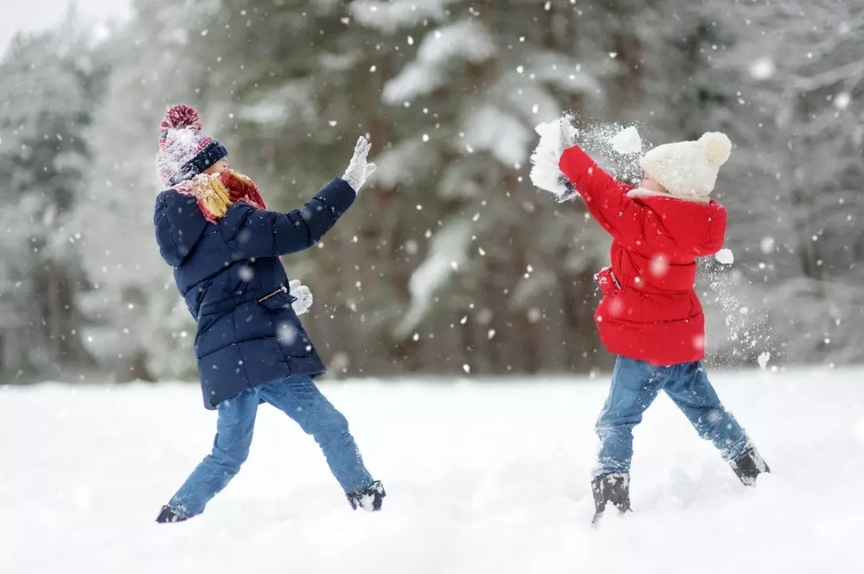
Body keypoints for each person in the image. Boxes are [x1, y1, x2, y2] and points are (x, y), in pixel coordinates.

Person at [529, 117, 770, 523]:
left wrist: (568, 154)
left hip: (645, 347)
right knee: (709, 414)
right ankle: (754, 470)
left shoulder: (642, 222)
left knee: (616, 421)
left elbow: (607, 195)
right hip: (680, 344)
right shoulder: (683, 222)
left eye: (648, 177)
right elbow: (625, 197)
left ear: (670, 189)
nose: (639, 179)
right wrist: (579, 180)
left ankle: (610, 499)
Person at [151, 104, 384, 523]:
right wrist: (347, 185)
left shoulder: (183, 244)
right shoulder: (224, 217)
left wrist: (280, 300)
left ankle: (174, 517)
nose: (230, 168)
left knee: (227, 455)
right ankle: (367, 497)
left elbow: (216, 302)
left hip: (228, 359)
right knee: (331, 426)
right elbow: (299, 227)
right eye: (222, 162)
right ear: (204, 173)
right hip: (261, 357)